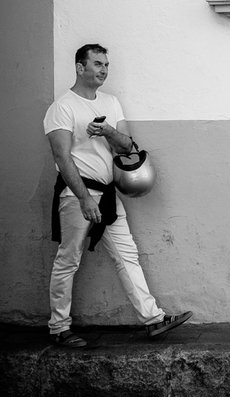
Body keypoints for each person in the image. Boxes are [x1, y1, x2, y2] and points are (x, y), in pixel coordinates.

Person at [44, 43, 192, 348]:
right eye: (97, 64)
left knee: (128, 255)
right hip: (78, 195)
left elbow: (127, 146)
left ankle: (153, 319)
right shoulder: (63, 107)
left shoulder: (111, 102)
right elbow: (62, 158)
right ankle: (59, 327)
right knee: (68, 260)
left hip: (109, 195)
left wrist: (108, 131)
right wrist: (84, 197)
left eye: (106, 65)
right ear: (79, 67)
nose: (103, 70)